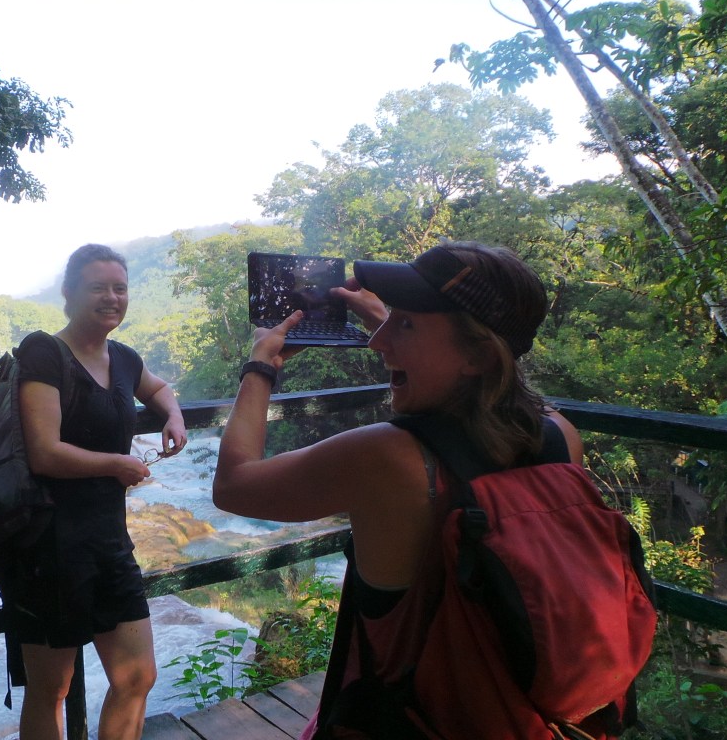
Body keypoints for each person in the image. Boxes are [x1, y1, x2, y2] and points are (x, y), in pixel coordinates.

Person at [213, 239, 584, 739]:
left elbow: (234, 485)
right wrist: (392, 319)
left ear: (477, 353)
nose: (376, 342)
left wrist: (260, 367)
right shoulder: (560, 436)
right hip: (515, 713)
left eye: (405, 324)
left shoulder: (388, 457)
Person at [0, 243, 187, 740]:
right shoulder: (44, 352)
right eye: (98, 287)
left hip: (107, 540)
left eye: (120, 288)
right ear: (69, 293)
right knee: (51, 688)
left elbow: (158, 388)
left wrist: (173, 415)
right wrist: (116, 464)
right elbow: (44, 452)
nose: (112, 298)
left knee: (137, 676)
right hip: (46, 546)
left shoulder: (123, 357)